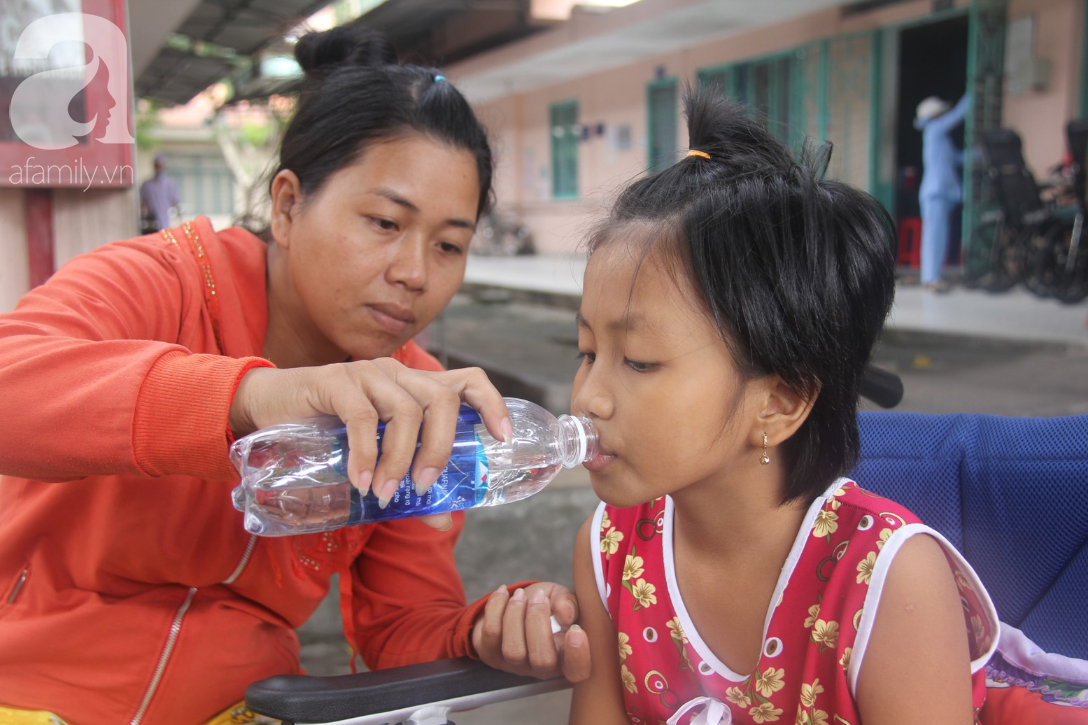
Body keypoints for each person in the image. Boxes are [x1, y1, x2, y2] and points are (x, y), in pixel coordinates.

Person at [0, 26, 588, 725]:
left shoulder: (416, 398)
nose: (415, 273)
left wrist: (482, 632)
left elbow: (399, 628)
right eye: (383, 222)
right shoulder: (165, 282)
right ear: (286, 204)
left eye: (450, 244)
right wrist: (254, 396)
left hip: (240, 705)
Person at [567, 88, 998, 725]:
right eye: (585, 350)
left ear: (779, 401)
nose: (588, 396)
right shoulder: (609, 549)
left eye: (638, 361)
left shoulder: (888, 583)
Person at [915, 93, 970, 293]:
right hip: (935, 193)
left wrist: (981, 153)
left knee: (940, 236)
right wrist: (972, 96)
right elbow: (957, 116)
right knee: (933, 236)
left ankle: (933, 275)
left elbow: (958, 158)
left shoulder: (942, 139)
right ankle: (930, 278)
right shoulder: (933, 131)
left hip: (944, 193)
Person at [140, 153, 182, 232]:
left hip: (166, 223)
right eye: (157, 165)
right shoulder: (147, 185)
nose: (159, 167)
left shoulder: (170, 183)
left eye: (160, 165)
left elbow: (176, 202)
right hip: (151, 224)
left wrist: (179, 219)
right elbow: (142, 205)